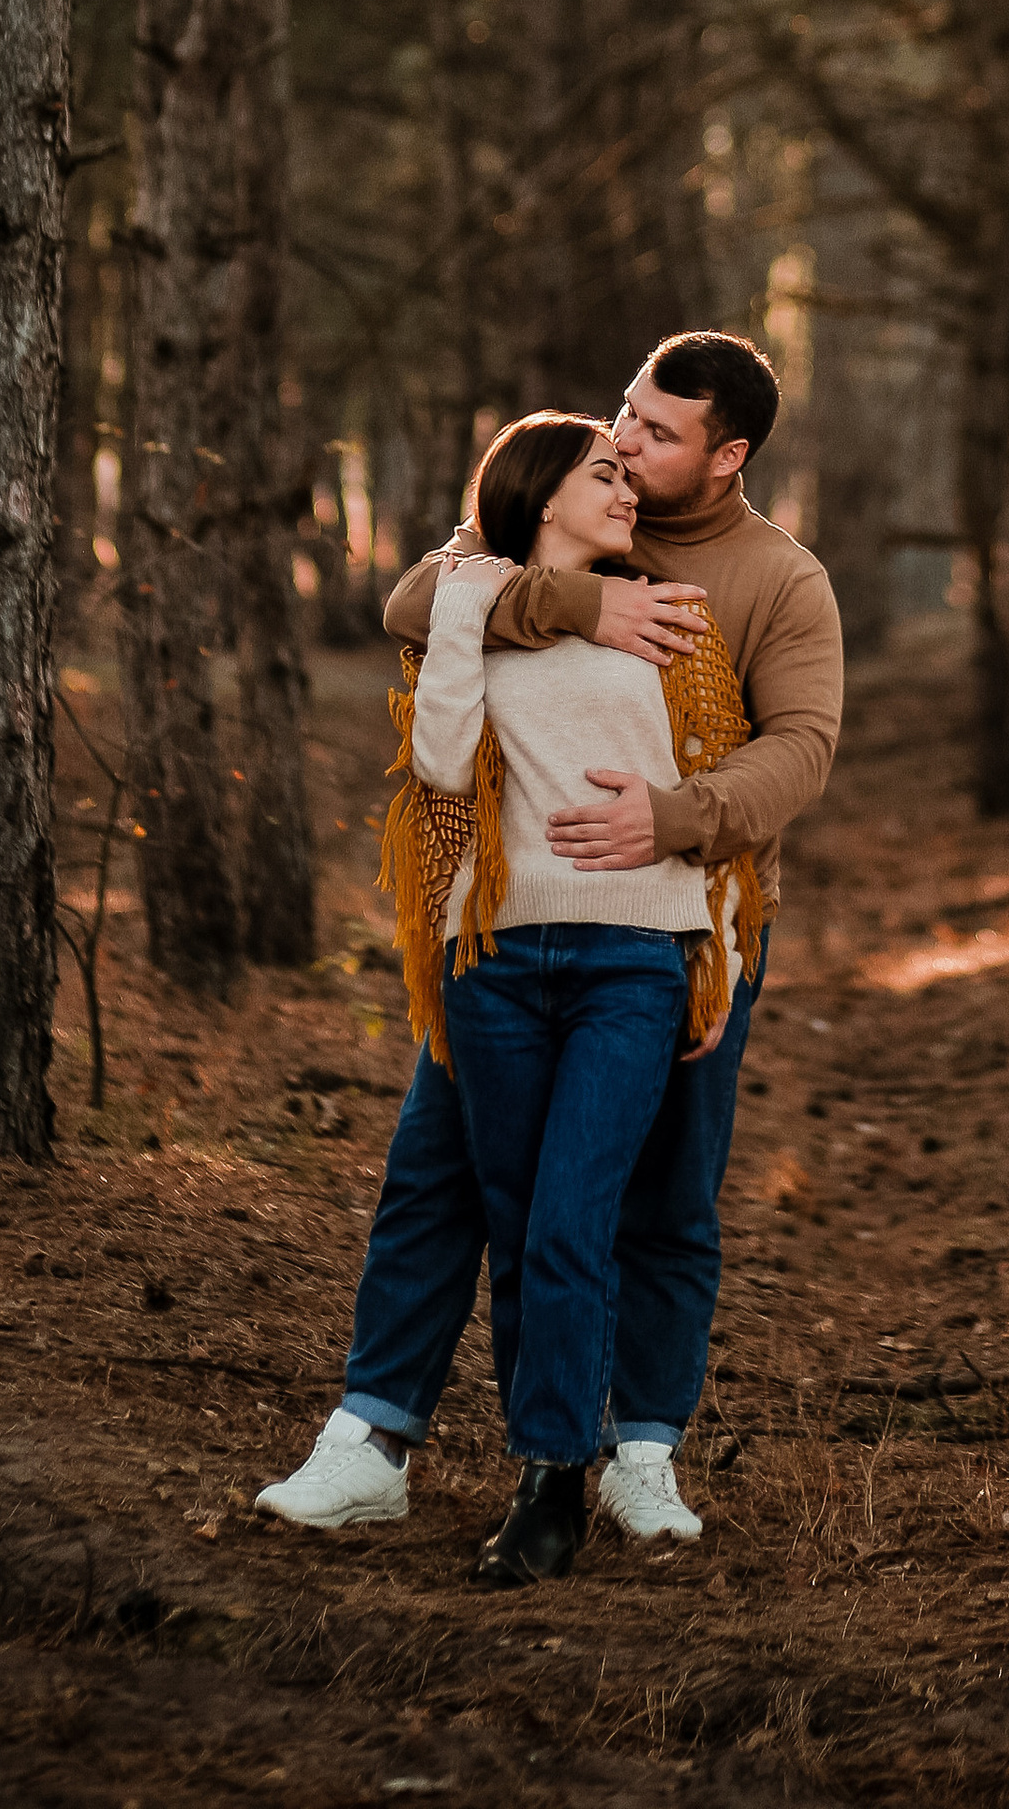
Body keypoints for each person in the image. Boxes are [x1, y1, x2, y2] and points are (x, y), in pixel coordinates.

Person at [257, 330, 841, 1552]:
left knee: (663, 1194)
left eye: (658, 434)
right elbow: (419, 600)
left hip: (687, 913)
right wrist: (581, 600)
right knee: (438, 1169)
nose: (625, 441)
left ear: (728, 457)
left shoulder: (777, 581)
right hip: (507, 924)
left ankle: (639, 1451)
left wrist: (673, 823)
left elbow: (800, 750)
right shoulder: (554, 517)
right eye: (625, 415)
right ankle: (372, 1434)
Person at [391, 410, 748, 1585]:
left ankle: (555, 1479)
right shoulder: (470, 604)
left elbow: (717, 798)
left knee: (573, 1216)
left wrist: (723, 952)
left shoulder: (673, 621)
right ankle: (546, 1469)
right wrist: (472, 609)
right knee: (511, 1220)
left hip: (633, 960)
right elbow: (442, 763)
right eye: (604, 471)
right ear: (540, 494)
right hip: (494, 957)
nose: (627, 488)